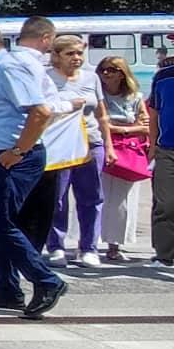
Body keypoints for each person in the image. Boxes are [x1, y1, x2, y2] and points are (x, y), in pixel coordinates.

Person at [0, 20, 67, 317]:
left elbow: (40, 111)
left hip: (14, 159)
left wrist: (18, 150)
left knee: (0, 223)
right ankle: (6, 289)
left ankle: (46, 280)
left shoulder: (7, 68)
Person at [44, 35, 106, 267]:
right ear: (57, 55)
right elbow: (40, 111)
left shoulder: (91, 78)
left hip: (91, 143)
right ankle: (56, 247)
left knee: (91, 198)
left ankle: (88, 247)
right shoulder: (46, 79)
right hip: (59, 146)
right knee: (57, 199)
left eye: (80, 53)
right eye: (71, 53)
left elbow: (101, 114)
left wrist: (107, 145)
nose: (77, 58)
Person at [11, 17, 64, 259]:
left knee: (23, 212)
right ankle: (39, 275)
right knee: (34, 213)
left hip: (21, 144)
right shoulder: (29, 64)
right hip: (29, 145)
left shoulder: (12, 61)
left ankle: (22, 270)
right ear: (45, 38)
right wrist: (68, 105)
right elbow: (42, 108)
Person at [97, 56, 148, 262]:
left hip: (128, 151)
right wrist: (127, 129)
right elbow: (97, 124)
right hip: (101, 147)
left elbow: (145, 126)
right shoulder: (97, 96)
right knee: (99, 197)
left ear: (122, 73)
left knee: (123, 201)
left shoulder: (135, 97)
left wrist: (119, 129)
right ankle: (91, 242)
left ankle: (114, 245)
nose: (106, 73)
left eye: (112, 69)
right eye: (103, 69)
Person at [149, 52, 174, 269]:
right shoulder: (163, 76)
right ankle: (164, 255)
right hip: (167, 148)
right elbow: (154, 113)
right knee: (166, 204)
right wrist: (151, 145)